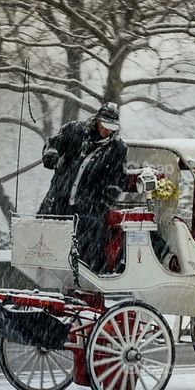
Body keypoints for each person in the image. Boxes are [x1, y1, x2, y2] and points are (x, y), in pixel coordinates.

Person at [38, 103, 127, 272]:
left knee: (83, 257)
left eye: (112, 128)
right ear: (97, 120)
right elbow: (52, 144)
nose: (107, 131)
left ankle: (79, 282)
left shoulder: (117, 149)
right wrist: (51, 154)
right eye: (105, 125)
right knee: (47, 247)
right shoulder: (75, 130)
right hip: (58, 202)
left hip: (88, 212)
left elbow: (117, 181)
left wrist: (100, 204)